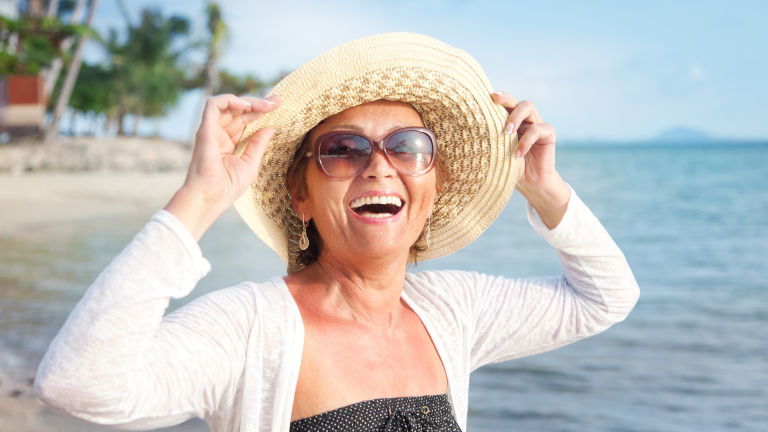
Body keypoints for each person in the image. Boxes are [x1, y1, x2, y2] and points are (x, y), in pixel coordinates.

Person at [34, 33, 640, 432]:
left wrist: (544, 191)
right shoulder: (250, 328)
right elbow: (79, 385)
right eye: (344, 149)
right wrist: (199, 199)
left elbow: (606, 298)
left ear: (432, 189)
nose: (379, 166)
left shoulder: (453, 310)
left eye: (407, 147)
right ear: (299, 195)